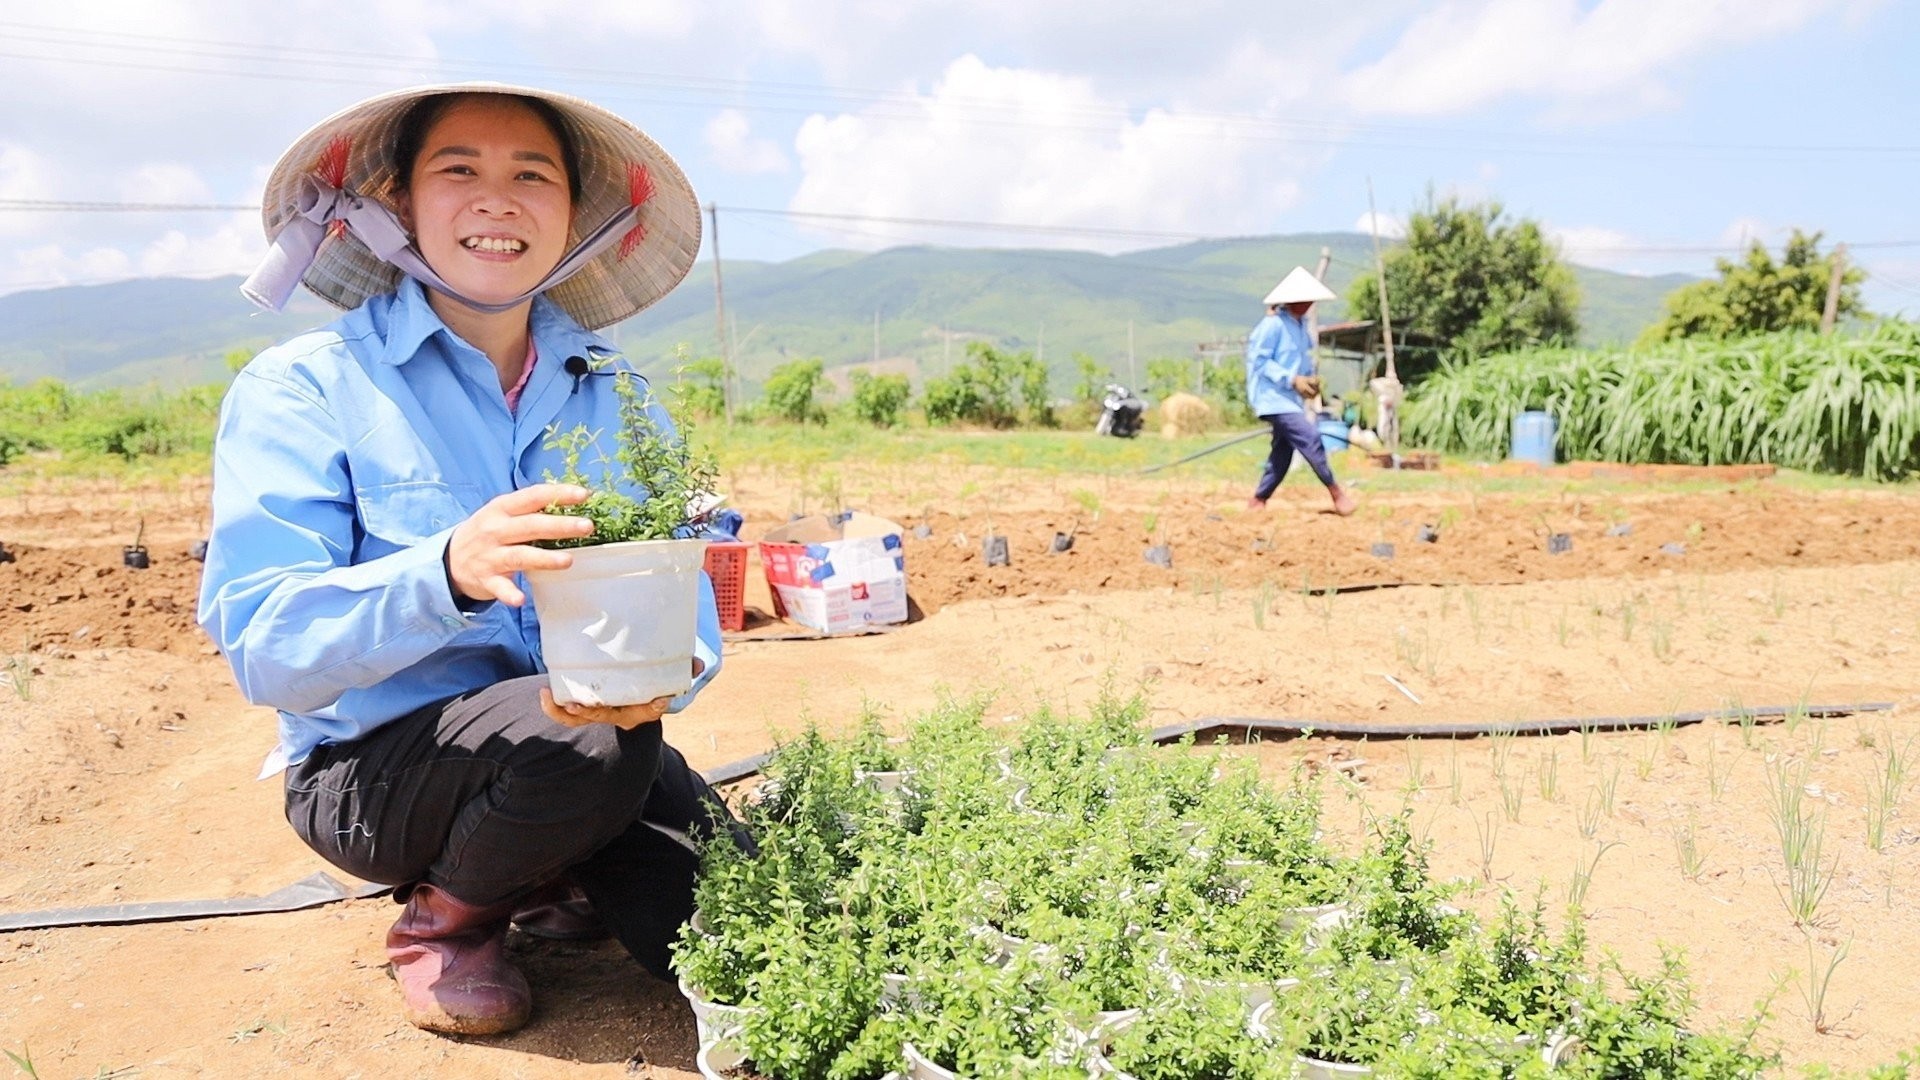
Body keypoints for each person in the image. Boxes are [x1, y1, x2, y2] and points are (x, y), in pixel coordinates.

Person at [197, 83, 745, 1037]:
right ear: (398, 204)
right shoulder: (306, 388)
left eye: (532, 176)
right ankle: (449, 922)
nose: (497, 199)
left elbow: (684, 580)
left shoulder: (616, 395)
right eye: (459, 170)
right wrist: (444, 570)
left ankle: (547, 865)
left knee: (724, 931)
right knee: (580, 742)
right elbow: (264, 646)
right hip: (375, 774)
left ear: (574, 216)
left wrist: (671, 671)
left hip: (590, 745)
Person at [1244, 267, 1357, 516]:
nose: (1307, 304)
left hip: (1290, 400)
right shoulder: (1272, 325)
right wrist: (1292, 379)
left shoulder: (1301, 327)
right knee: (1310, 438)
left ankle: (1258, 499)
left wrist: (1309, 382)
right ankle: (1336, 493)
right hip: (1272, 399)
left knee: (1282, 452)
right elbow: (1259, 361)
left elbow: (1302, 363)